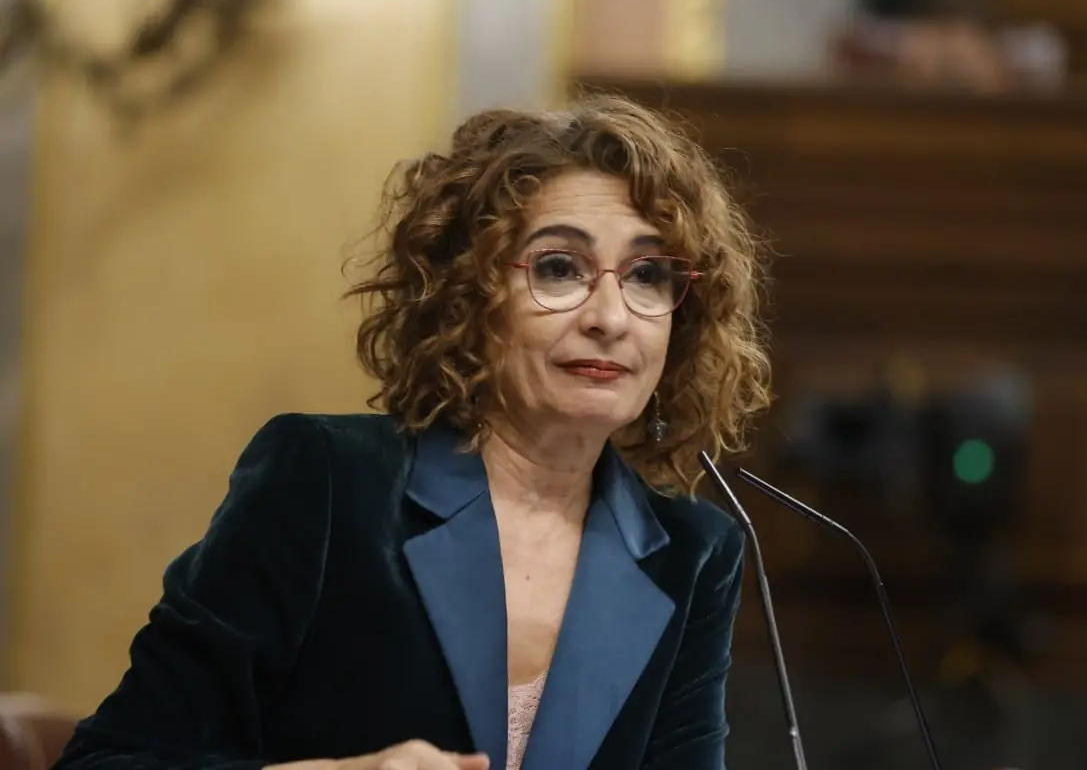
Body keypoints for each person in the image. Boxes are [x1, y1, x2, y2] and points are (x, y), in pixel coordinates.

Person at [52, 94, 772, 770]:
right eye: (560, 268)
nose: (610, 317)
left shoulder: (693, 555)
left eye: (648, 275)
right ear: (468, 295)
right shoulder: (329, 484)